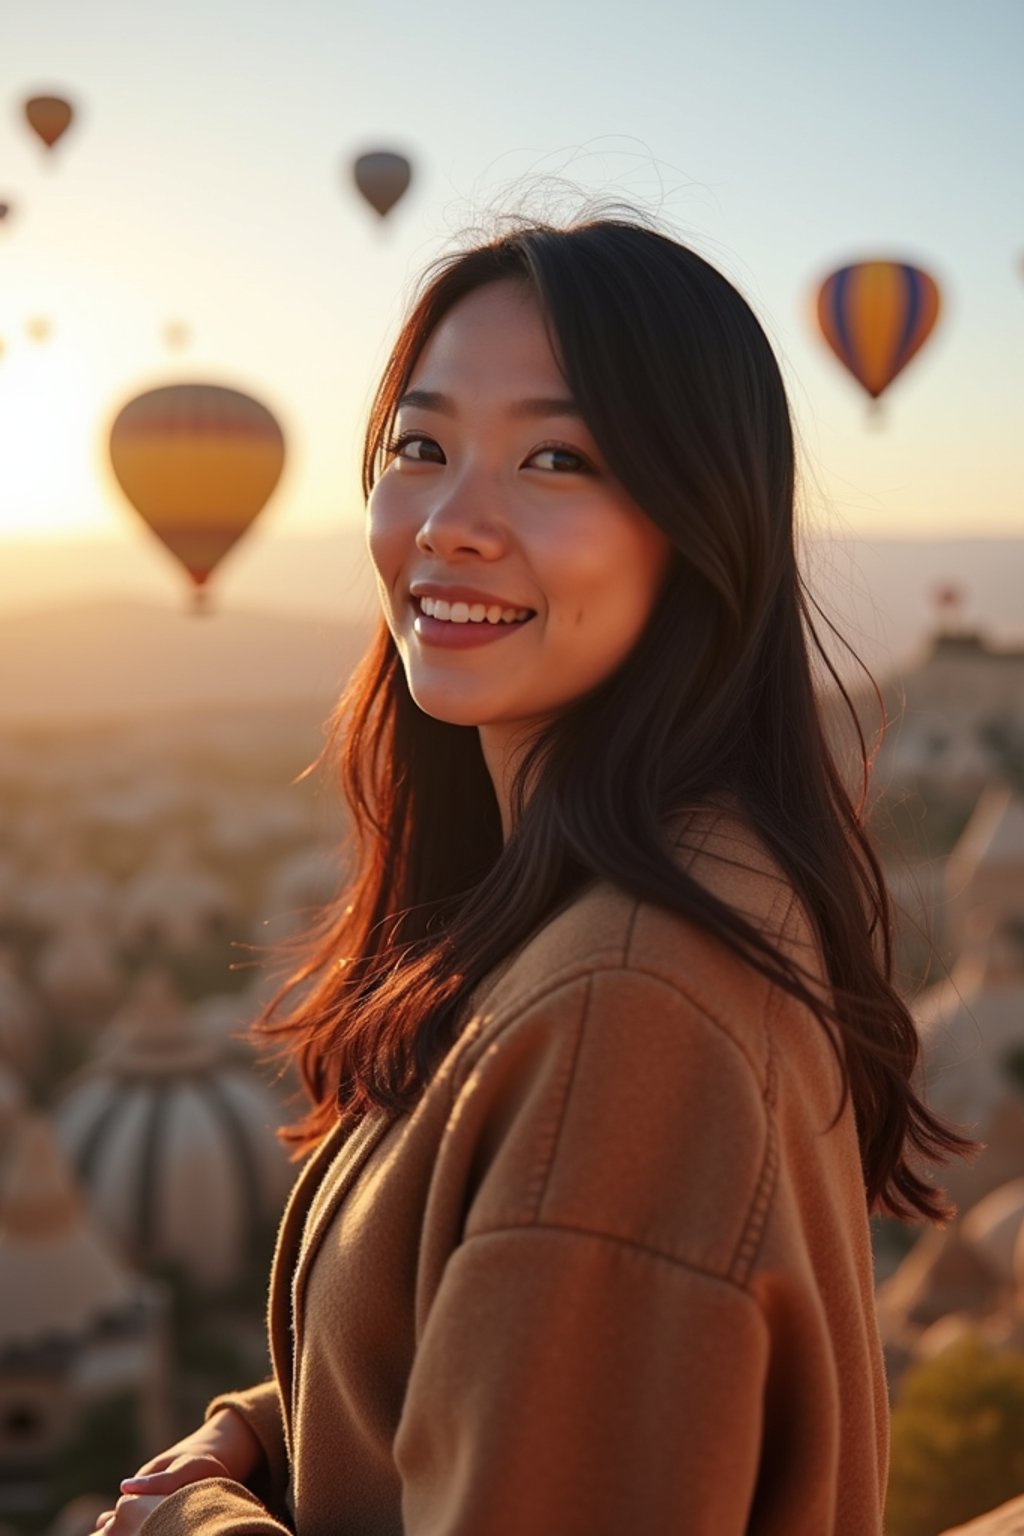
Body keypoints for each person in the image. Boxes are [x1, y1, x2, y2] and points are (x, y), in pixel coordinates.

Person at [98, 206, 981, 1536]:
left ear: (699, 525)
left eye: (558, 457)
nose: (452, 520)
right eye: (422, 445)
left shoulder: (624, 1013)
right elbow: (520, 1346)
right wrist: (266, 1432)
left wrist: (181, 1529)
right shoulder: (630, 899)